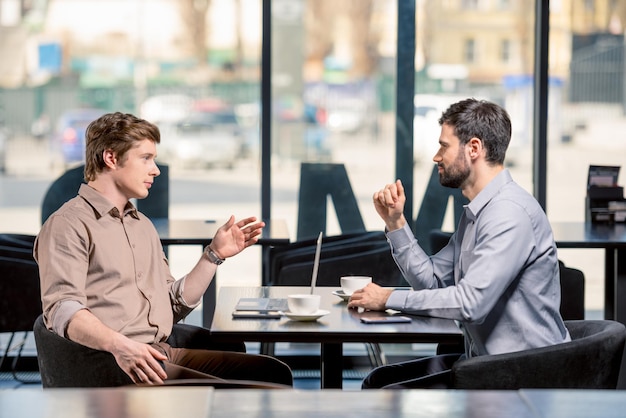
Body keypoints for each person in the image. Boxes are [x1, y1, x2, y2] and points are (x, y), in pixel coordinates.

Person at [35, 111, 292, 386]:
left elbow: (170, 305)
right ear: (111, 158)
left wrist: (214, 255)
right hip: (115, 364)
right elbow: (63, 310)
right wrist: (121, 346)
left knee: (274, 375)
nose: (155, 169)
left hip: (159, 354)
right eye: (145, 158)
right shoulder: (67, 225)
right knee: (242, 391)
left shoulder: (142, 225)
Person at [347, 98, 570, 389]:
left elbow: (470, 303)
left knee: (385, 393)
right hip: (486, 365)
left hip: (523, 376)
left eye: (444, 145)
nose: (436, 156)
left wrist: (388, 298)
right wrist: (395, 223)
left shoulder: (509, 214)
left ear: (474, 148)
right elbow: (432, 282)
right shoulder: (480, 212)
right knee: (379, 381)